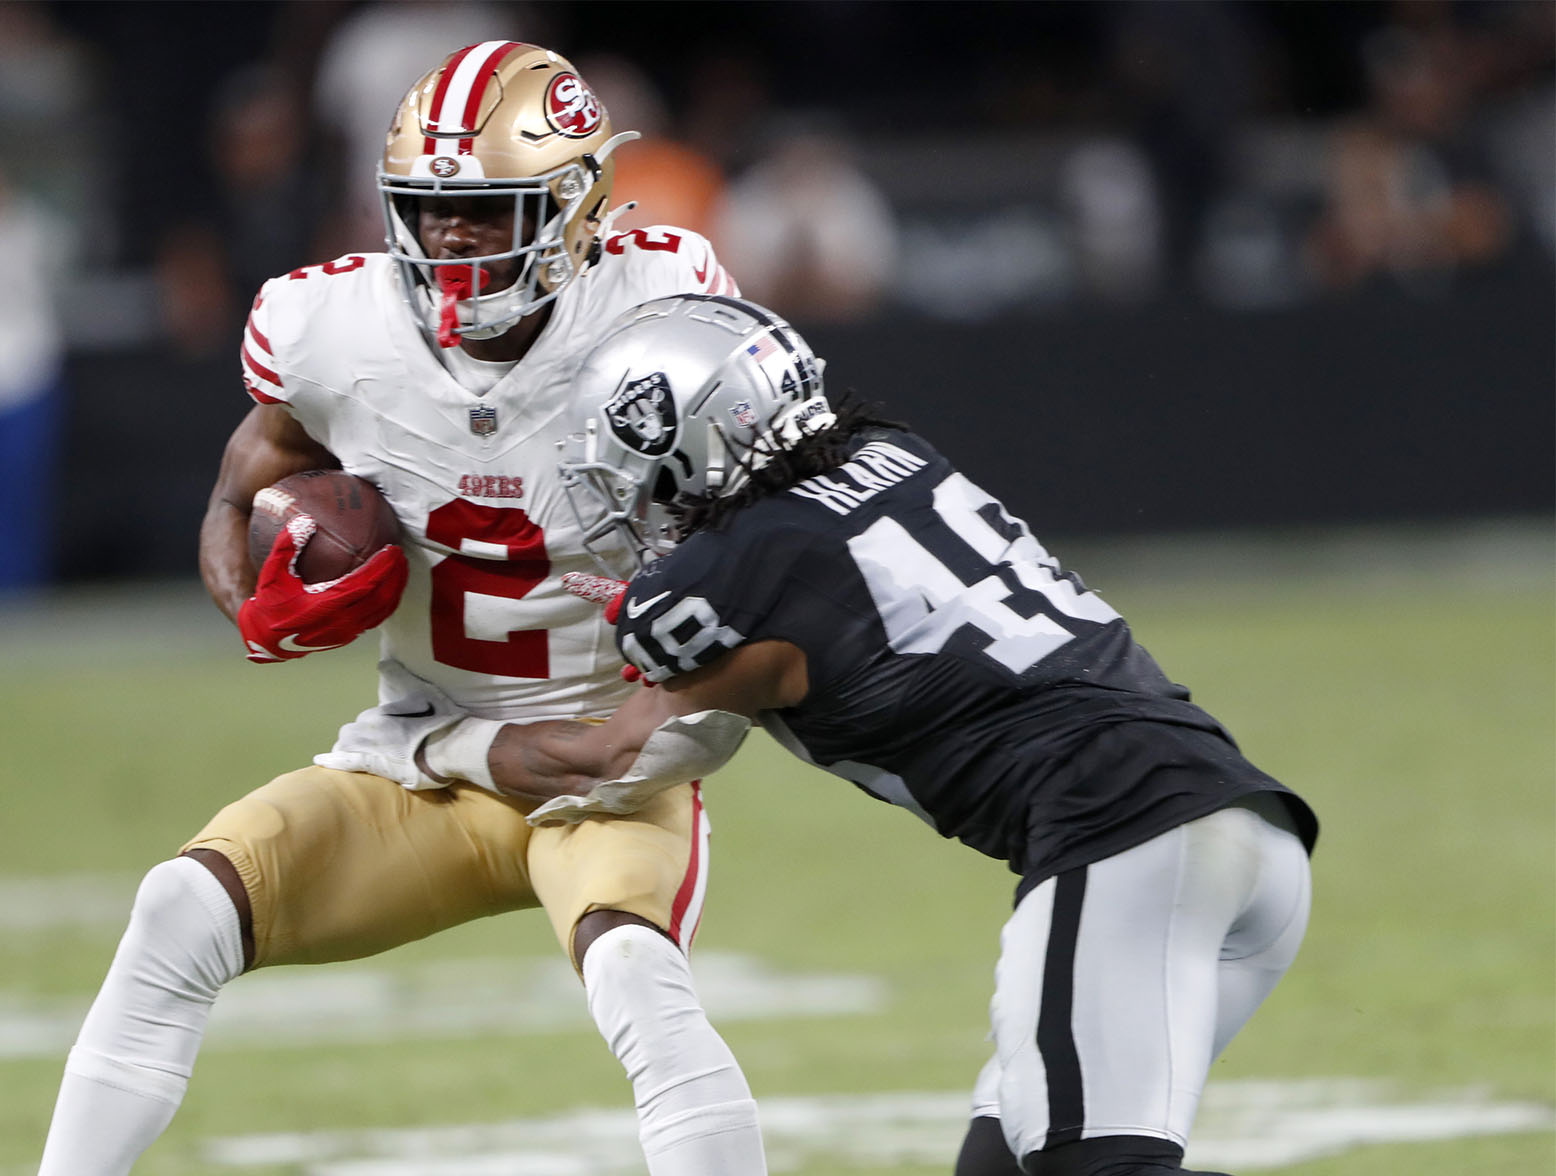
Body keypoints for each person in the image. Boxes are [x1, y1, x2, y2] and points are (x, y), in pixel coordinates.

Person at [359, 293, 1320, 1176]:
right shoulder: (893, 457)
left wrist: (420, 743)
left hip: (1126, 833)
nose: (624, 494)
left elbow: (606, 758)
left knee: (1090, 1171)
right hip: (1241, 835)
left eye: (630, 463)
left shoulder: (731, 574)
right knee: (1003, 1170)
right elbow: (822, 588)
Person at [36, 43, 759, 1176]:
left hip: (613, 771)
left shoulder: (661, 309)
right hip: (421, 758)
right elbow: (240, 487)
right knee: (180, 905)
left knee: (638, 981)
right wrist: (256, 603)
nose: (450, 240)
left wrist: (645, 722)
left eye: (483, 211)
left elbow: (771, 548)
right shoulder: (335, 326)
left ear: (570, 205)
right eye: (427, 212)